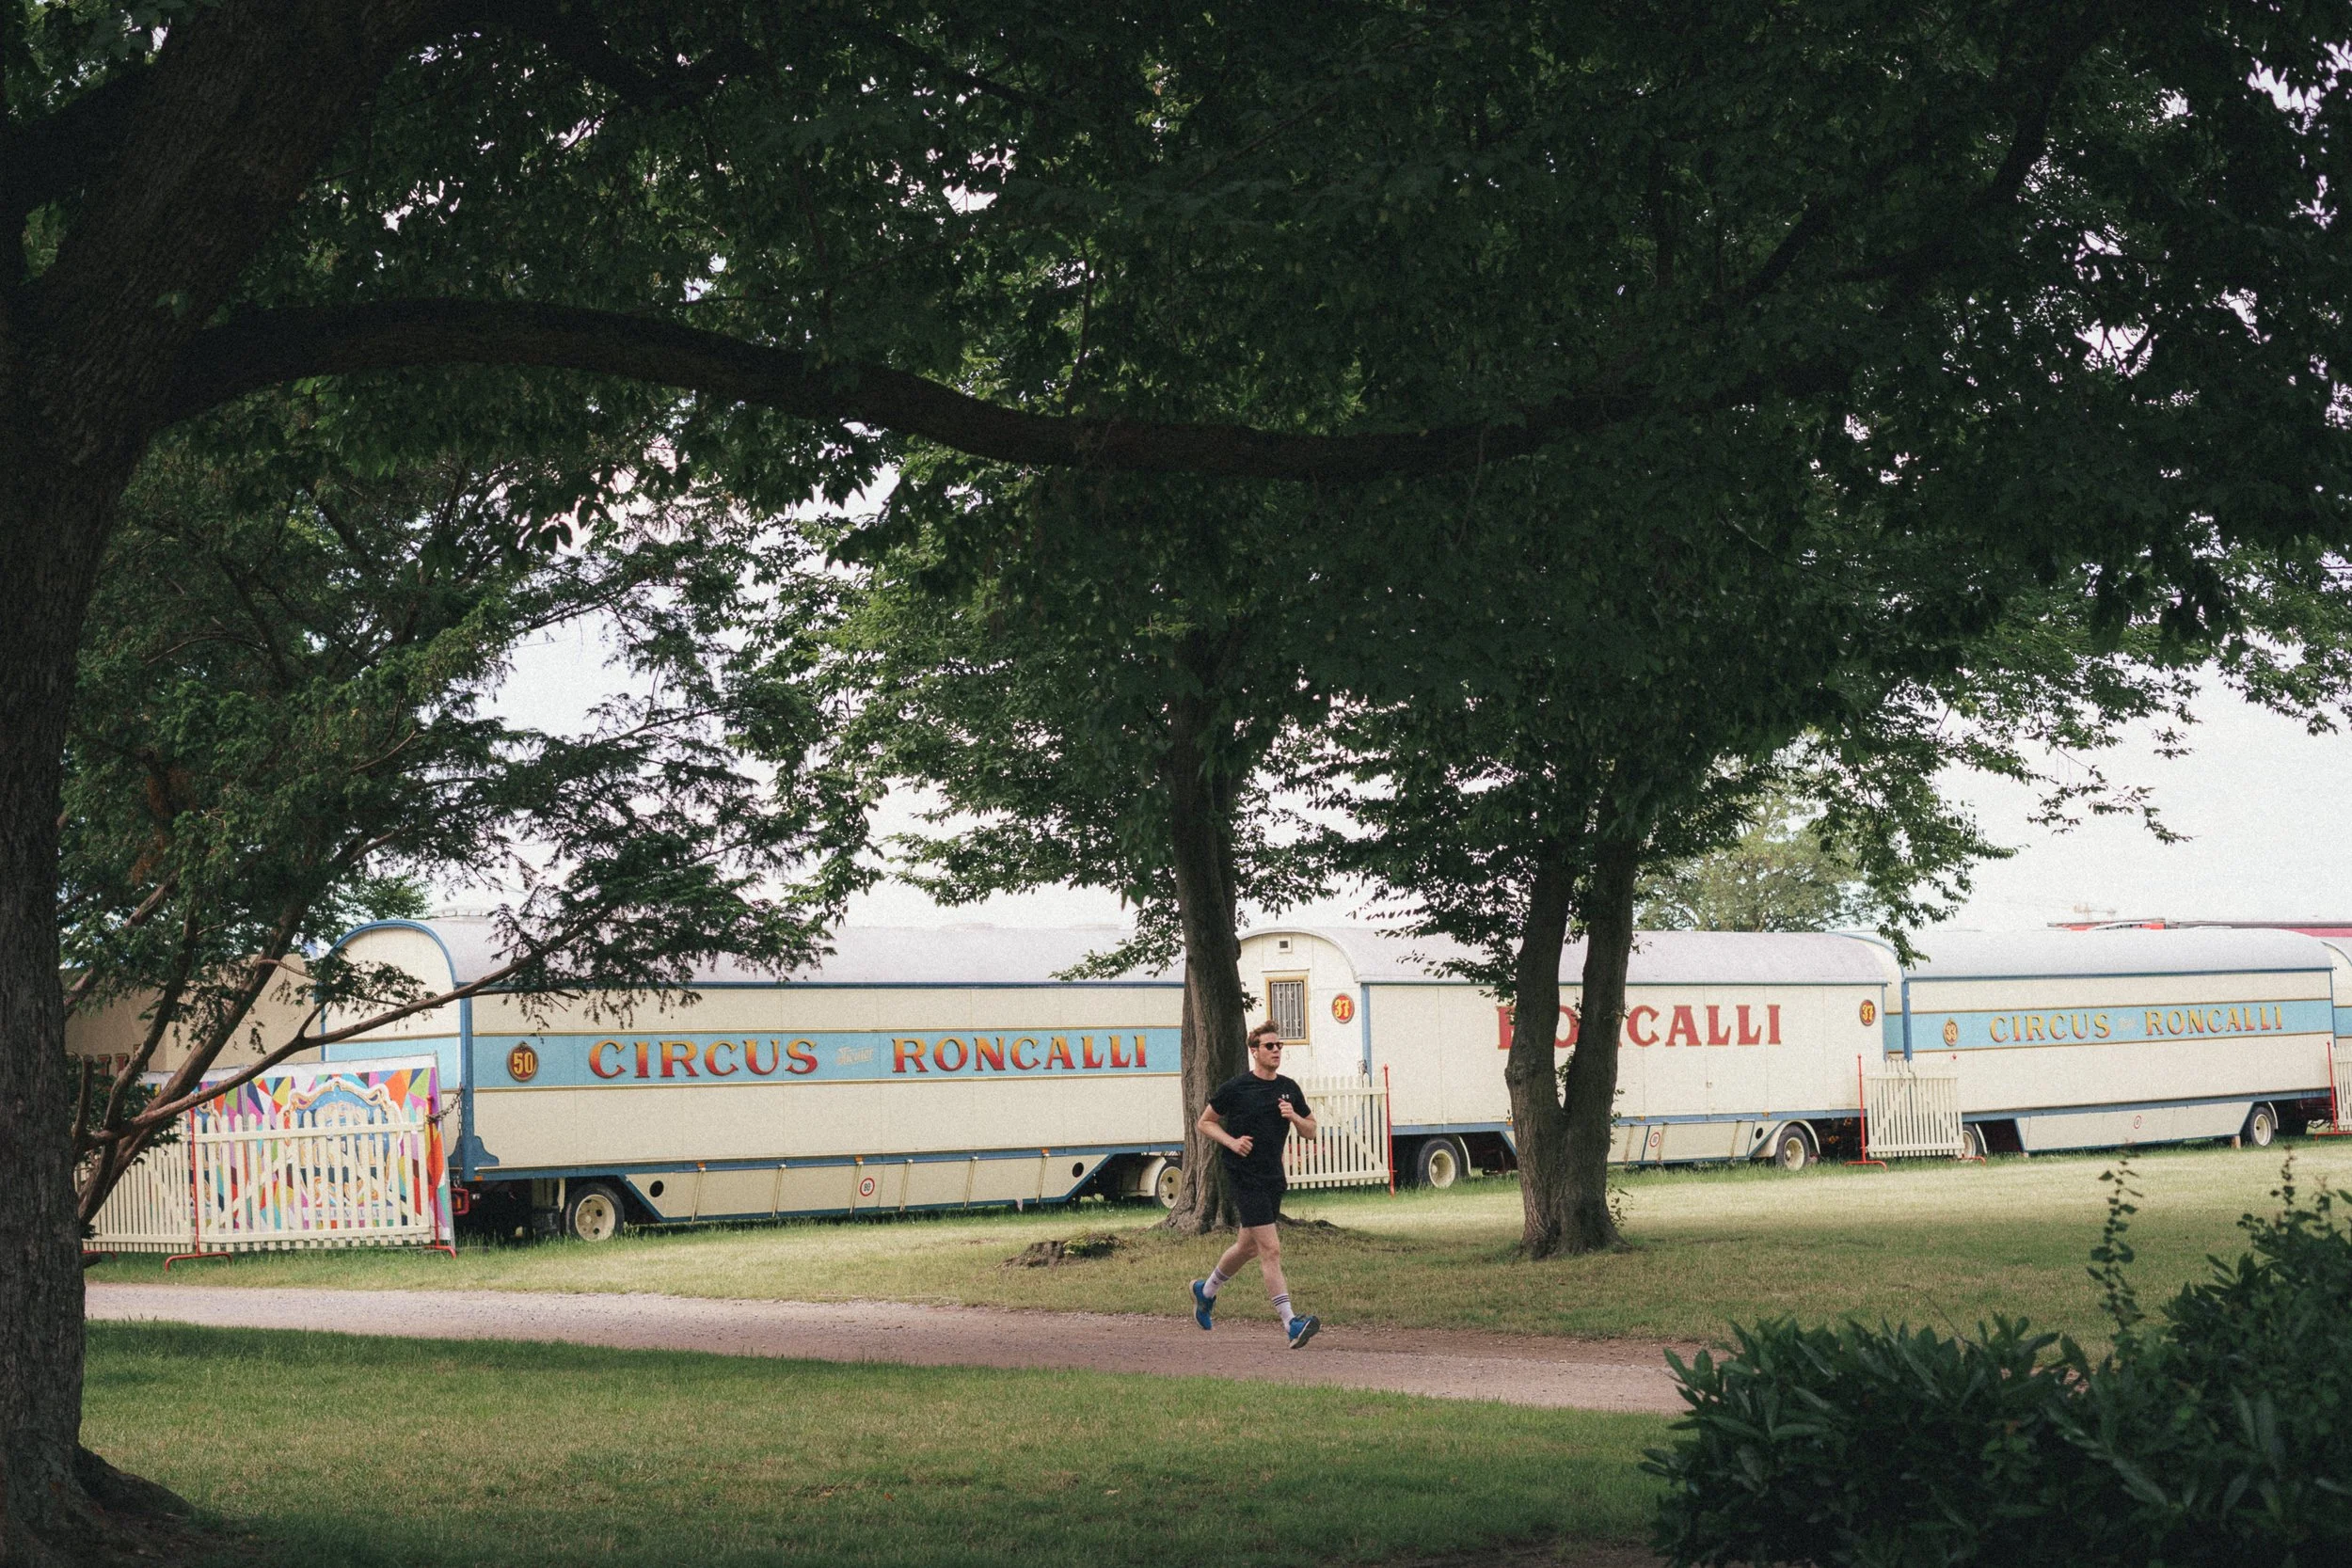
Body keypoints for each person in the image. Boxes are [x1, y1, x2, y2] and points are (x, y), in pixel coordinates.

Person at [1190, 1019, 1321, 1347]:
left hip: (1272, 1177)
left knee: (1247, 1247)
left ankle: (1205, 1292)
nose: (1277, 1051)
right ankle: (1291, 1324)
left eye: (1279, 1046)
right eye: (1270, 1046)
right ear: (1254, 1051)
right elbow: (1205, 1123)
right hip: (1243, 1176)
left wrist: (1294, 1116)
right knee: (1271, 1249)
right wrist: (1232, 1142)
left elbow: (1311, 1130)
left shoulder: (1288, 1088)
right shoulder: (1236, 1088)